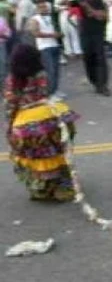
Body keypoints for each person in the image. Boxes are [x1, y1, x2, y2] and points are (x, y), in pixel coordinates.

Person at [4, 44, 79, 201]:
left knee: (34, 157)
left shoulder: (12, 80)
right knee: (58, 151)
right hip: (51, 116)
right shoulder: (41, 74)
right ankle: (63, 186)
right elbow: (45, 93)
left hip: (27, 126)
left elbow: (11, 105)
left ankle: (43, 190)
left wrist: (10, 129)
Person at [76, 0, 111, 97]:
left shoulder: (97, 1)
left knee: (100, 58)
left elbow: (102, 16)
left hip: (97, 33)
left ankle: (103, 85)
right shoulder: (77, 2)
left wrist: (88, 7)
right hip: (84, 34)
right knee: (88, 58)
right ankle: (94, 82)